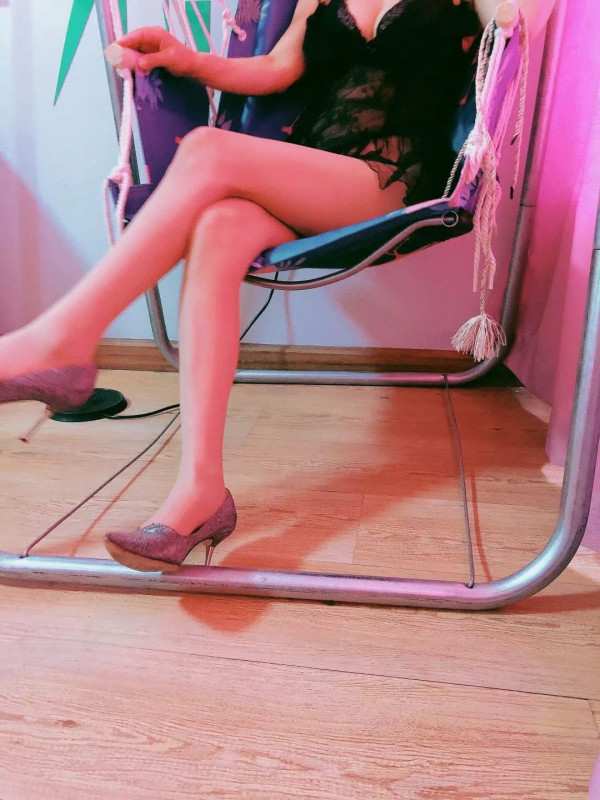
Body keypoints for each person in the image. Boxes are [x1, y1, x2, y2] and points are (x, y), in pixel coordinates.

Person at [0, 0, 555, 572]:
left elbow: (521, 19)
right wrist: (186, 60)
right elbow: (275, 69)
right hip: (306, 173)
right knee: (218, 228)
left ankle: (60, 343)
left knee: (207, 149)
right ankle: (200, 492)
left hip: (390, 181)